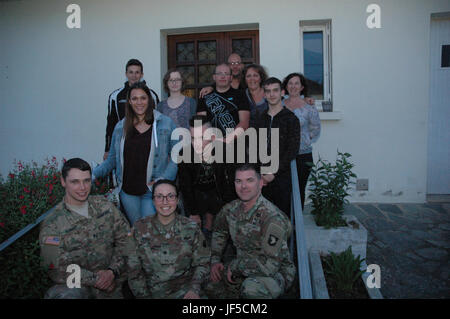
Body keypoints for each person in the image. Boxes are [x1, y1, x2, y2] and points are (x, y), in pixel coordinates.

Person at [39, 158, 133, 299]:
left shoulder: (105, 207)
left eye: (86, 180)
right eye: (75, 182)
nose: (82, 187)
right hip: (79, 287)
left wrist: (112, 271)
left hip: (113, 283)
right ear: (63, 182)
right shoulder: (52, 223)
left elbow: (127, 240)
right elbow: (54, 267)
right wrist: (96, 280)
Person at [205, 163, 296, 299]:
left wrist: (236, 266)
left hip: (275, 273)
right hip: (243, 266)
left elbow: (270, 265)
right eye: (239, 181)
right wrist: (215, 261)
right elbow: (219, 231)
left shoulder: (272, 218)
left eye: (250, 180)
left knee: (251, 289)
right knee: (207, 281)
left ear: (260, 183)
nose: (243, 186)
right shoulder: (230, 209)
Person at [93, 82, 178, 226]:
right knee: (137, 231)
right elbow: (112, 159)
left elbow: (176, 157)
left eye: (143, 98)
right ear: (129, 102)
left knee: (150, 230)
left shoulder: (165, 123)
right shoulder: (120, 127)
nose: (139, 102)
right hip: (128, 192)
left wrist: (163, 180)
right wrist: (92, 174)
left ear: (149, 100)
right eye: (134, 98)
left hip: (151, 191)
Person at [127, 179, 210, 299]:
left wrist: (194, 290)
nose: (165, 202)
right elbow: (133, 270)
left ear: (177, 200)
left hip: (186, 292)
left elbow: (203, 263)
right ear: (153, 201)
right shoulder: (139, 228)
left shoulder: (191, 228)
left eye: (170, 196)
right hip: (151, 293)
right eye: (159, 197)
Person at [178, 115, 236, 237]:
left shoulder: (225, 151)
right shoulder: (185, 153)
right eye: (193, 138)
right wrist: (193, 212)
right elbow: (186, 186)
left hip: (219, 192)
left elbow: (230, 183)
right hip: (197, 193)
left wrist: (230, 209)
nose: (197, 143)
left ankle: (212, 224)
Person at [255, 77, 300, 216]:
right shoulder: (260, 118)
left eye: (275, 90)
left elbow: (292, 150)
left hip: (282, 176)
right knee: (262, 216)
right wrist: (260, 174)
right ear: (264, 94)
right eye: (268, 91)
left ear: (282, 92)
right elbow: (255, 147)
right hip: (262, 178)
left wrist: (273, 173)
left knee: (281, 217)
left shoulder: (291, 119)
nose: (272, 94)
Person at [104, 59, 160, 161]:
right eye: (131, 72)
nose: (134, 76)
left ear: (142, 74)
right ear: (126, 74)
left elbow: (157, 123)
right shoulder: (115, 96)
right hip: (122, 143)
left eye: (137, 72)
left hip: (146, 143)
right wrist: (107, 149)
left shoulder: (152, 96)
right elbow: (110, 124)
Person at [283, 73, 321, 209]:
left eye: (296, 83)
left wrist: (304, 139)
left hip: (302, 155)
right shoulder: (279, 104)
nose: (293, 86)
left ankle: (297, 226)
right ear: (286, 86)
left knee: (299, 189)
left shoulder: (308, 106)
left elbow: (315, 128)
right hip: (283, 155)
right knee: (284, 190)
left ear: (302, 87)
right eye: (290, 83)